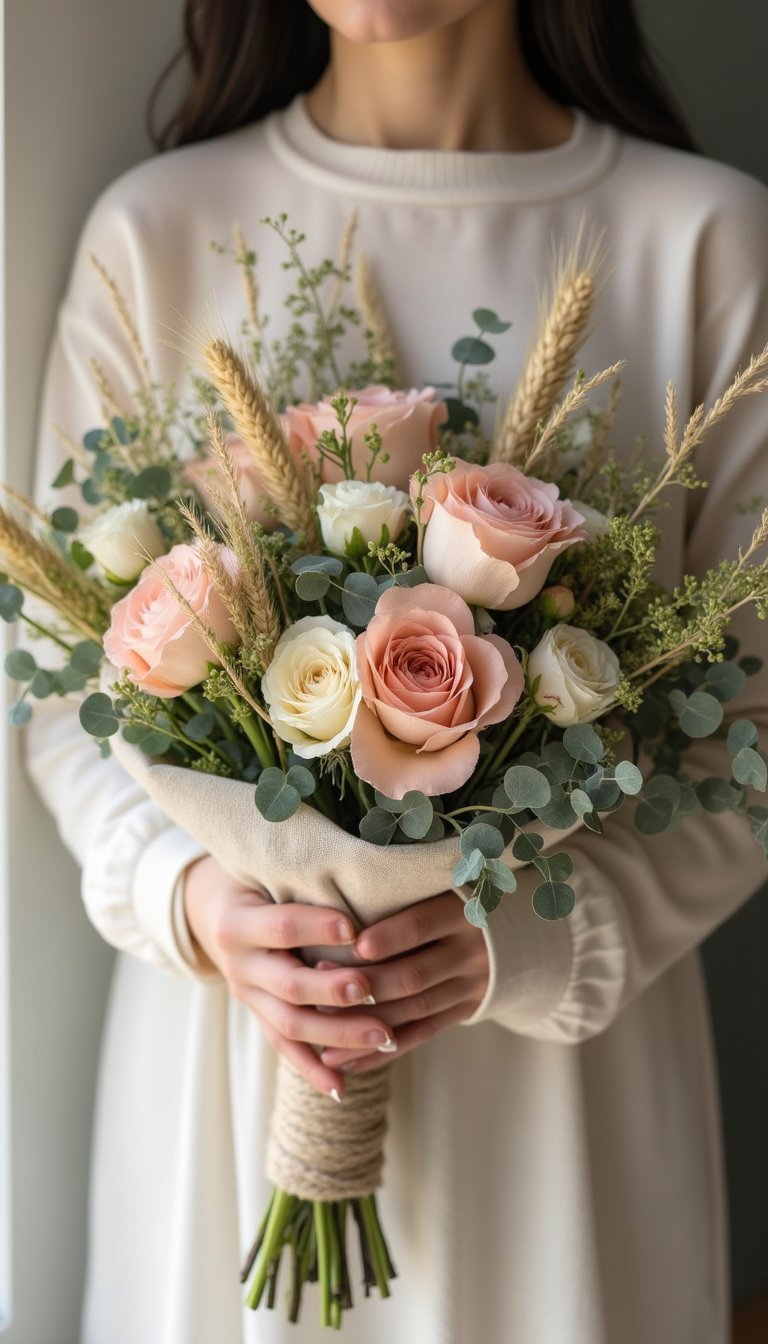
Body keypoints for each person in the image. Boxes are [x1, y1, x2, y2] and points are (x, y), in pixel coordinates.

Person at [27, 1, 768, 1341]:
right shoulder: (155, 229)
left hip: (559, 1104)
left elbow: (758, 726)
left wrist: (529, 944)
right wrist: (187, 895)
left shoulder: (706, 240)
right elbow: (59, 682)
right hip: (235, 1061)